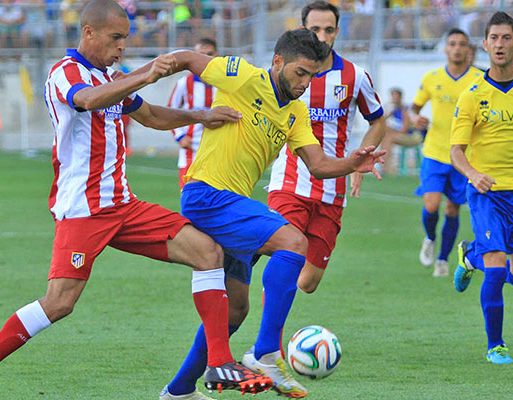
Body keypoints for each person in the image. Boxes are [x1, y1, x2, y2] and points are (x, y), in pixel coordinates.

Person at [0, 2, 272, 399]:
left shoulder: (110, 77)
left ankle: (219, 362)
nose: (121, 47)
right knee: (59, 303)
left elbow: (150, 115)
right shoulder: (65, 74)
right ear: (89, 34)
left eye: (126, 39)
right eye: (116, 38)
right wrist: (145, 74)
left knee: (207, 253)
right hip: (83, 210)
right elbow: (89, 100)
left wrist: (201, 116)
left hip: (123, 205)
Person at [160, 28, 385, 400]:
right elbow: (186, 58)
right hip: (205, 194)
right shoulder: (242, 75)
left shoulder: (296, 111)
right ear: (278, 62)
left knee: (236, 311)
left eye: (312, 75)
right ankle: (266, 352)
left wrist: (352, 163)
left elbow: (317, 164)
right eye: (300, 73)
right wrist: (147, 74)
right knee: (294, 241)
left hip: (230, 205)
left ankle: (179, 390)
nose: (305, 82)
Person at [254, 2, 385, 395]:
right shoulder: (285, 74)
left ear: (338, 31)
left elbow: (377, 120)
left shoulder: (354, 76)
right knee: (285, 255)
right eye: (316, 29)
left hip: (332, 190)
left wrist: (360, 157)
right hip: (290, 182)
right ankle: (267, 352)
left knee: (307, 282)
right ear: (303, 30)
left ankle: (240, 254)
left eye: (330, 30)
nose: (323, 37)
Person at [450, 11, 513, 364]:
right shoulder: (472, 95)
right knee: (496, 269)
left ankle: (469, 254)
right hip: (486, 194)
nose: (499, 44)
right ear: (484, 44)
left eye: (506, 38)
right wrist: (473, 174)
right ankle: (496, 344)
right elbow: (456, 151)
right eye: (493, 38)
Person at [410, 28, 483, 277]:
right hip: (434, 152)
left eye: (462, 44)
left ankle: (443, 259)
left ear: (468, 49)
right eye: (452, 43)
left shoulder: (479, 78)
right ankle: (430, 238)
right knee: (431, 206)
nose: (457, 48)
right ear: (445, 48)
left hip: (464, 155)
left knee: (452, 209)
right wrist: (416, 118)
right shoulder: (432, 77)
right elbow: (414, 107)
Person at [167, 37, 218, 189]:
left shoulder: (225, 84)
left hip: (218, 148)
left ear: (216, 56)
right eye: (200, 54)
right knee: (189, 196)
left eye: (209, 53)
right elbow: (170, 111)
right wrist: (180, 136)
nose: (205, 58)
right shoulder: (184, 83)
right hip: (191, 149)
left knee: (217, 197)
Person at [380, 87, 423, 175]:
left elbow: (404, 129)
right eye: (392, 97)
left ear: (400, 97)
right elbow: (381, 122)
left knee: (388, 137)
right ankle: (384, 165)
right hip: (402, 135)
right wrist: (388, 111)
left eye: (396, 97)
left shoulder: (405, 110)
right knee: (385, 133)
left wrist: (391, 132)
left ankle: (384, 167)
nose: (394, 99)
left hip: (414, 137)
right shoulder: (394, 110)